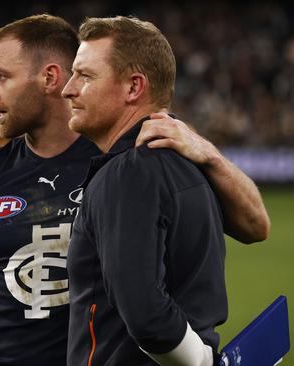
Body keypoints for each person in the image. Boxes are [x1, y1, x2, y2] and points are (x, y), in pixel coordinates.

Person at [0, 14, 270, 366]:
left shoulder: (125, 158)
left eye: (0, 76)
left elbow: (255, 226)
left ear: (49, 77)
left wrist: (210, 155)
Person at [62, 16, 237, 365]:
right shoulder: (187, 163)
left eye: (85, 75)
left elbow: (147, 316)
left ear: (133, 88)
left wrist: (202, 362)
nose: (68, 89)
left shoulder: (127, 173)